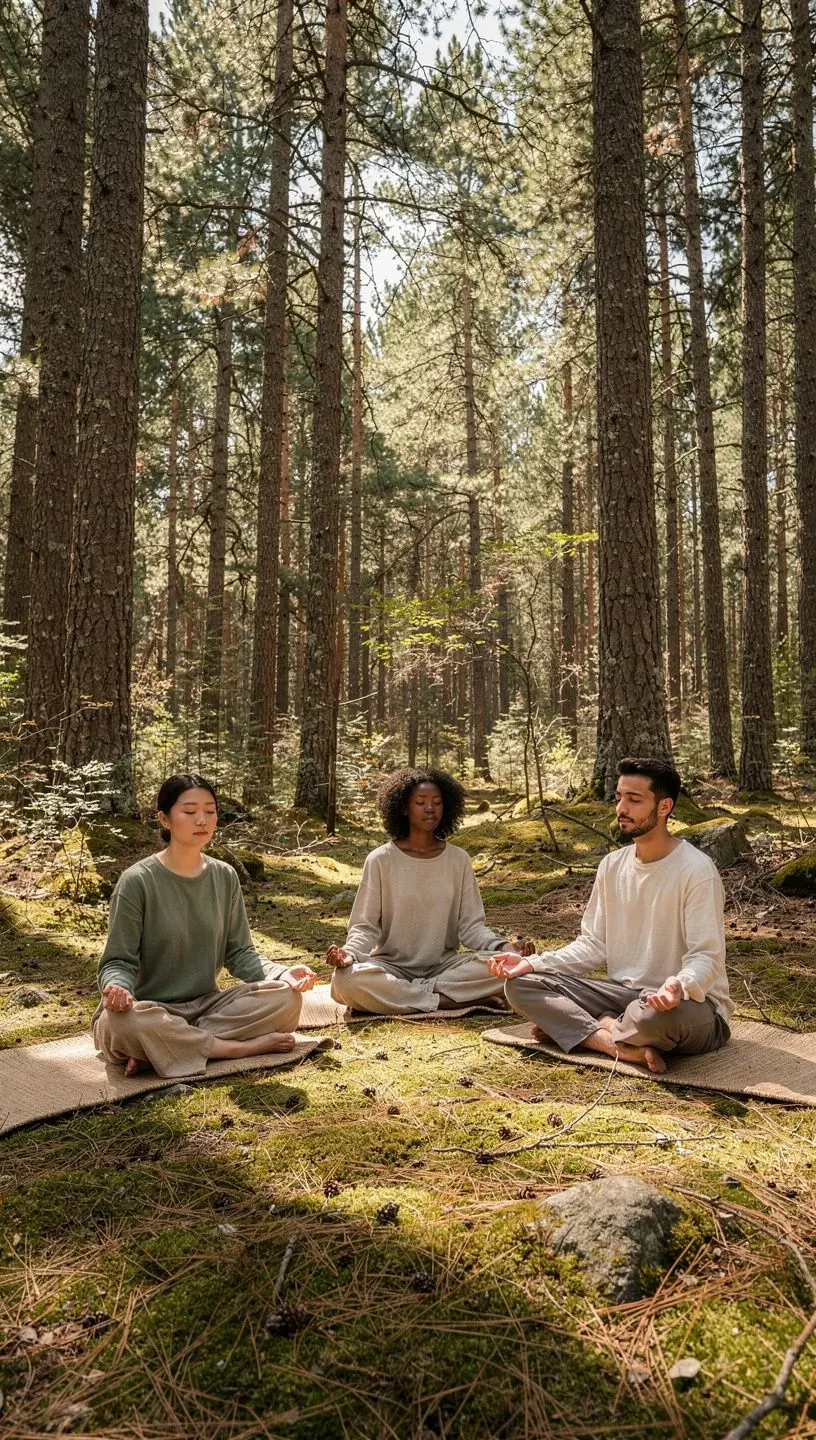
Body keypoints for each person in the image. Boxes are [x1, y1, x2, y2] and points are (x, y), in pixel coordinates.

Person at [489, 757, 733, 1075]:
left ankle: (583, 1026)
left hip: (686, 1005)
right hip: (622, 995)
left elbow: (707, 957)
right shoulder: (612, 865)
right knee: (520, 986)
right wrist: (533, 963)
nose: (621, 808)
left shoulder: (697, 870)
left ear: (664, 807)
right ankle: (610, 1042)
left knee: (647, 1019)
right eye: (619, 797)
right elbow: (593, 944)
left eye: (634, 799)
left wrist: (678, 984)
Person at [93, 773, 318, 1079]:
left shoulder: (225, 876)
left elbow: (239, 953)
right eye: (189, 811)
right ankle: (234, 1048)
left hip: (207, 1007)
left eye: (210, 811)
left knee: (286, 997)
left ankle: (165, 1049)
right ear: (164, 819)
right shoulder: (136, 881)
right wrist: (117, 987)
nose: (202, 820)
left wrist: (282, 973)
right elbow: (118, 961)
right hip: (148, 1009)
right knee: (118, 1024)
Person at [327, 766, 533, 1015]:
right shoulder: (380, 860)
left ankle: (403, 997)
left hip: (445, 967)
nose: (430, 809)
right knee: (344, 980)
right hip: (391, 967)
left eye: (437, 802)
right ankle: (446, 1001)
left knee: (515, 966)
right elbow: (364, 927)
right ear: (404, 807)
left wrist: (504, 948)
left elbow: (471, 927)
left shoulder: (458, 860)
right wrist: (349, 954)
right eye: (420, 802)